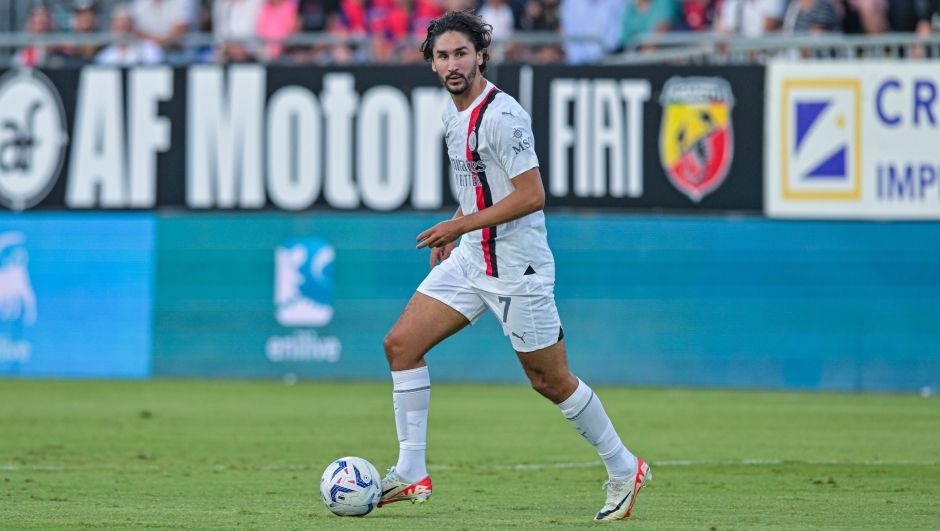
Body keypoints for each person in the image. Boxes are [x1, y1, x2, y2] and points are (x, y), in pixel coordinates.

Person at [376, 10, 651, 521]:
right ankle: (412, 471)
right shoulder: (450, 113)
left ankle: (623, 466)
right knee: (401, 345)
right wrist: (458, 223)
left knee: (550, 382)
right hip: (471, 258)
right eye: (443, 56)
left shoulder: (504, 116)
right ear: (432, 64)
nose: (453, 64)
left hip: (517, 270)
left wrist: (459, 226)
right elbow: (481, 185)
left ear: (481, 54)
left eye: (462, 53)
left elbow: (531, 195)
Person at [95, 5, 165, 65]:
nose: (124, 33)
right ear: (112, 29)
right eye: (119, 28)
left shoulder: (151, 50)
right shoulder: (104, 57)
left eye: (127, 27)